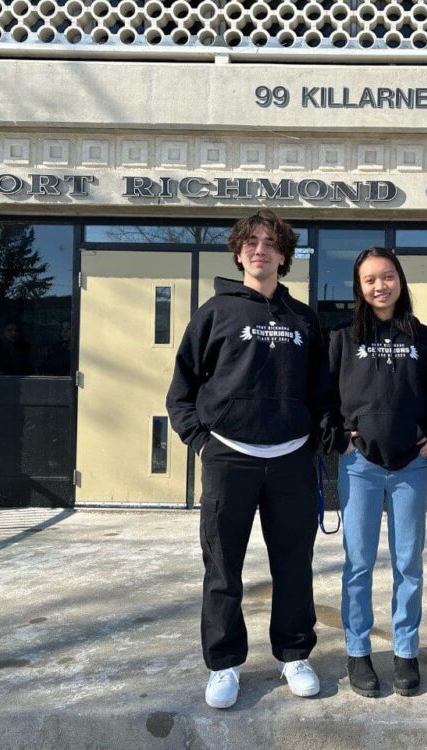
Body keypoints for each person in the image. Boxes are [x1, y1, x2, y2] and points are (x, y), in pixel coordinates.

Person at [166, 209, 324, 710]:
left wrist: (314, 434)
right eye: (251, 241)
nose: (260, 249)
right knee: (223, 570)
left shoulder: (304, 319)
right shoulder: (214, 312)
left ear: (284, 255)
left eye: (271, 243)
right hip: (229, 458)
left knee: (295, 566)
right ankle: (224, 664)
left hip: (291, 460)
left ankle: (294, 654)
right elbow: (182, 388)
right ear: (238, 253)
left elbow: (321, 390)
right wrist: (201, 438)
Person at [322, 247, 427, 699]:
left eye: (387, 277)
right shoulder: (343, 339)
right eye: (370, 280)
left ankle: (406, 652)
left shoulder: (422, 337)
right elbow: (325, 396)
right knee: (359, 564)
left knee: (409, 564)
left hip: (411, 466)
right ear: (359, 287)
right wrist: (340, 438)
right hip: (360, 466)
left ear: (400, 280)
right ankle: (357, 652)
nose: (380, 286)